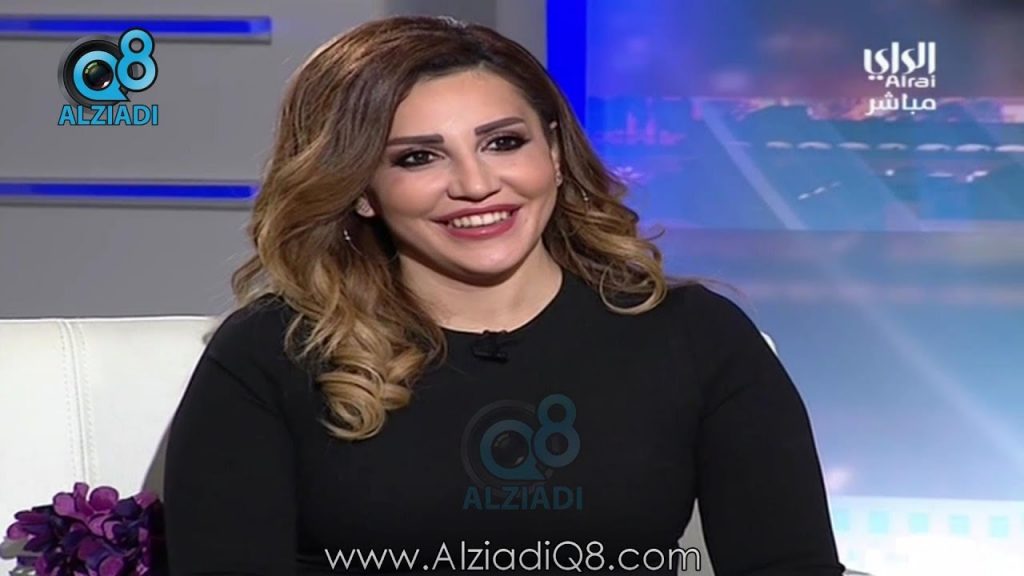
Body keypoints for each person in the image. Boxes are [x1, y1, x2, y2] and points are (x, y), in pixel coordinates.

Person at [163, 14, 846, 576]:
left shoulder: (696, 337)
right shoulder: (273, 354)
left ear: (554, 154)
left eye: (503, 142)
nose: (476, 184)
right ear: (362, 191)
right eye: (417, 157)